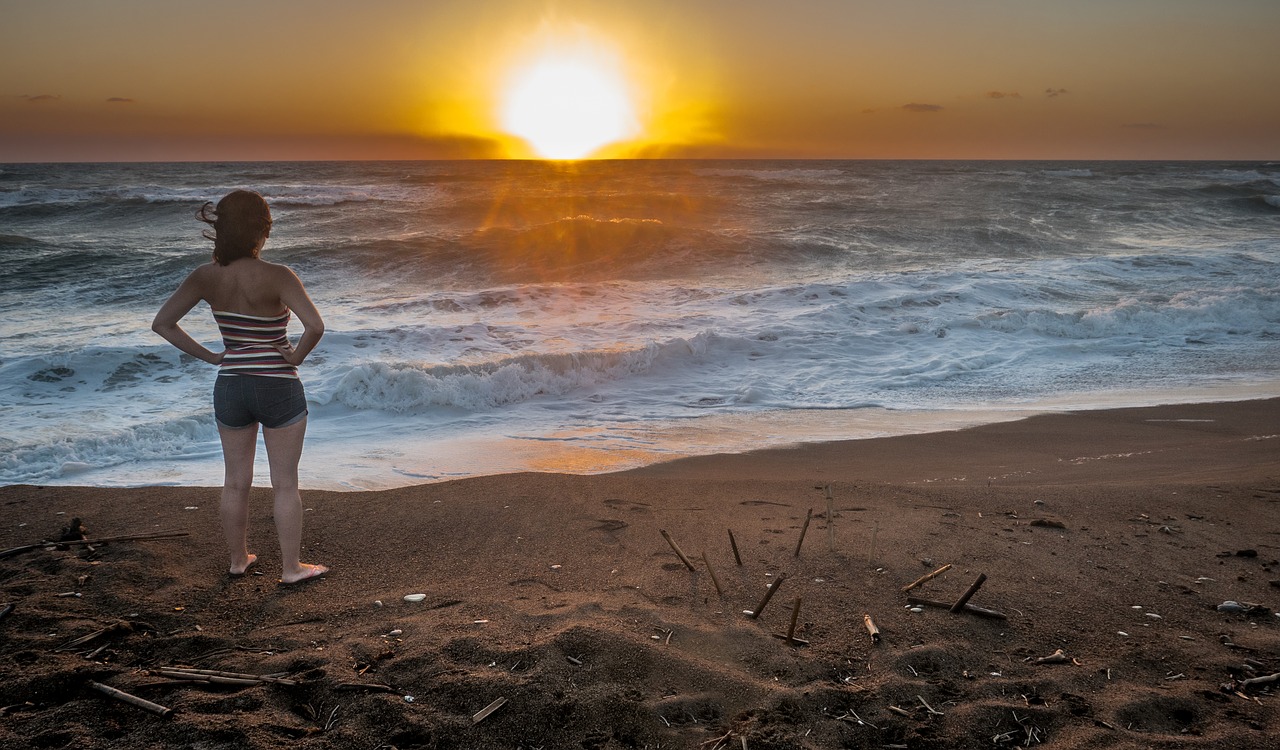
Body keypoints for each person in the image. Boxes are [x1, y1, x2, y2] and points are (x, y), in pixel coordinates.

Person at [152, 190, 328, 584]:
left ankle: (237, 560)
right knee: (285, 483)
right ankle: (291, 569)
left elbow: (162, 323)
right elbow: (315, 327)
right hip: (278, 386)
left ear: (221, 229)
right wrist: (295, 357)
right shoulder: (280, 276)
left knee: (235, 479)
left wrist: (212, 356)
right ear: (261, 231)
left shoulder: (205, 277)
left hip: (230, 384)